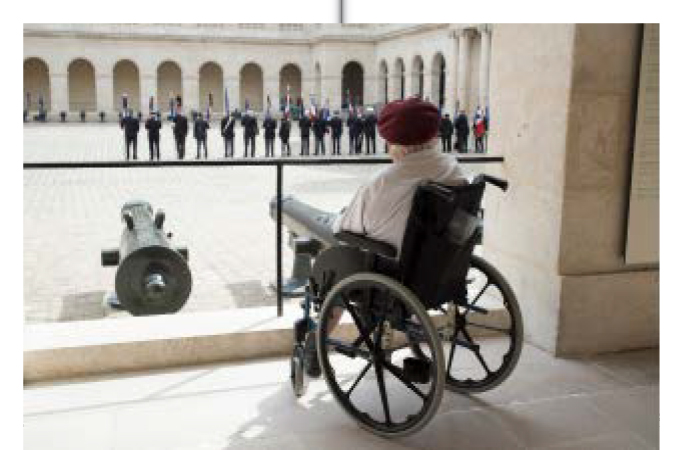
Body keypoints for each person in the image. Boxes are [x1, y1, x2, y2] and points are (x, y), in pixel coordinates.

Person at [298, 96, 469, 377]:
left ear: (393, 140)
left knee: (336, 263)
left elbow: (346, 229)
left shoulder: (384, 181)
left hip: (393, 275)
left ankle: (315, 342)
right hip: (439, 268)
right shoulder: (452, 168)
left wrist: (341, 217)